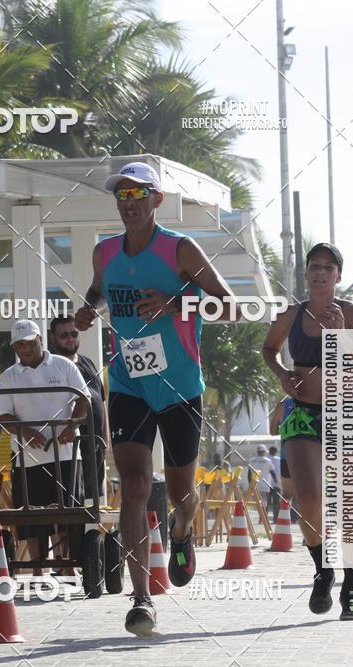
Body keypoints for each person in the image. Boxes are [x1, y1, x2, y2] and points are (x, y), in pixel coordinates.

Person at [75, 160, 241, 636]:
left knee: (183, 491)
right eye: (121, 197)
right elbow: (95, 292)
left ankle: (183, 531)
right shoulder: (104, 253)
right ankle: (142, 598)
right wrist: (88, 311)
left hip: (179, 385)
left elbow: (229, 305)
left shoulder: (180, 249)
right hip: (128, 381)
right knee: (134, 484)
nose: (129, 204)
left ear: (156, 200)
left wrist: (176, 304)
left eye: (138, 195)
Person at [262, 242, 353, 620]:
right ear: (307, 273)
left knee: (351, 511)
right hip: (303, 414)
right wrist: (282, 374)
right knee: (309, 500)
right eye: (314, 266)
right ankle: (322, 568)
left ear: (338, 276)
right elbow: (269, 349)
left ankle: (350, 585)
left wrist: (342, 336)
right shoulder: (291, 314)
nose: (320, 273)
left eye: (328, 268)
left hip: (346, 413)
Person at [0, 320, 90, 572]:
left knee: (69, 512)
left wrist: (72, 426)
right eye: (19, 344)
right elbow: (2, 415)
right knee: (32, 516)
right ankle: (39, 568)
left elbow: (84, 399)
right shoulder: (8, 376)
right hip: (28, 459)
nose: (24, 348)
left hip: (67, 455)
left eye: (28, 342)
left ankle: (70, 565)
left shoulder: (63, 365)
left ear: (40, 339)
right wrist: (25, 431)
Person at [50, 315, 108, 499]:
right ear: (53, 337)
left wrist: (105, 441)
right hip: (70, 449)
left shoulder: (87, 362)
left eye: (74, 333)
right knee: (72, 501)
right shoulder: (52, 367)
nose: (70, 339)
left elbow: (101, 402)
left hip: (95, 446)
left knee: (94, 502)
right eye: (64, 335)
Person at [269, 397, 297, 523]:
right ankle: (311, 536)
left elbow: (273, 431)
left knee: (286, 495)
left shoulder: (283, 405)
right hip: (311, 455)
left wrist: (288, 428)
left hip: (287, 454)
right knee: (310, 495)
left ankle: (282, 530)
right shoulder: (316, 401)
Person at [247, 444, 277, 522]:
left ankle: (261, 517)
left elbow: (249, 474)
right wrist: (276, 481)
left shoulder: (251, 461)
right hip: (265, 486)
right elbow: (272, 472)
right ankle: (264, 519)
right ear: (264, 452)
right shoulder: (268, 461)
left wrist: (250, 484)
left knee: (257, 502)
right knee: (265, 502)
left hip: (255, 485)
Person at [268, 445, 281, 522]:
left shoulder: (267, 459)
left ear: (269, 452)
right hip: (277, 484)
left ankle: (263, 519)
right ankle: (275, 519)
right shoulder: (279, 459)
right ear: (276, 452)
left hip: (267, 484)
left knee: (266, 502)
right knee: (276, 502)